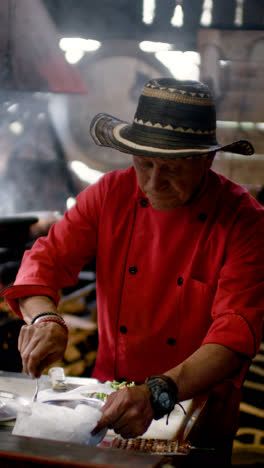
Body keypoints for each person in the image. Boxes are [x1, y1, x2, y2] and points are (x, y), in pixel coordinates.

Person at [2, 78, 264, 461]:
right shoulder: (111, 193)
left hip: (198, 408)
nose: (154, 183)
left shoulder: (245, 221)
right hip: (108, 401)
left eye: (172, 167)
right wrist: (46, 319)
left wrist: (158, 392)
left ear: (207, 160)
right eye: (145, 164)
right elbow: (46, 260)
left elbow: (234, 334)